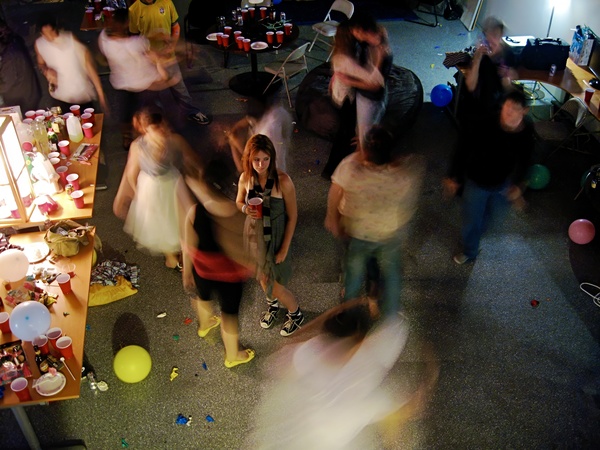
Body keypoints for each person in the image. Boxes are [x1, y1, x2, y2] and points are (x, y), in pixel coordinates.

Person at [248, 298, 439, 449]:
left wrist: (336, 311)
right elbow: (401, 415)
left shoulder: (308, 352)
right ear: (359, 340)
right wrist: (428, 379)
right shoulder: (363, 392)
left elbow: (291, 340)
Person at [325, 126, 425, 316]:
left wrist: (332, 217)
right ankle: (389, 314)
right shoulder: (402, 176)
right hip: (389, 235)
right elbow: (416, 169)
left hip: (359, 234)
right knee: (391, 275)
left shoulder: (352, 170)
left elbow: (335, 191)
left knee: (353, 273)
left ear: (367, 152)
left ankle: (349, 312)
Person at [178, 155, 256, 368]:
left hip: (202, 270)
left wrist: (187, 272)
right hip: (229, 277)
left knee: (203, 298)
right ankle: (232, 355)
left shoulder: (195, 210)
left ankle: (204, 325)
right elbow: (248, 248)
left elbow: (187, 244)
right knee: (229, 315)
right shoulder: (236, 215)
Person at [443, 90, 534, 265]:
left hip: (503, 183)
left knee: (491, 219)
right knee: (471, 220)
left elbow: (526, 158)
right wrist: (453, 176)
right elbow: (462, 148)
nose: (508, 112)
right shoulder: (485, 123)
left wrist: (519, 184)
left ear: (525, 111)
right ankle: (470, 251)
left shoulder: (526, 129)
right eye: (507, 106)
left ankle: (477, 234)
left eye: (515, 108)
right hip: (477, 181)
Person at [235, 134, 304, 336]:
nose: (261, 164)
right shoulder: (245, 178)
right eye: (256, 159)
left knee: (275, 285)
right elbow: (238, 201)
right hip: (253, 236)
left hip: (275, 238)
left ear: (272, 158)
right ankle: (273, 305)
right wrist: (244, 209)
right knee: (261, 277)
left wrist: (284, 248)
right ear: (249, 158)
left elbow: (293, 216)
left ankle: (296, 313)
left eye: (266, 159)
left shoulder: (283, 181)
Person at [115, 108, 191, 270]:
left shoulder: (172, 139)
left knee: (176, 218)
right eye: (155, 128)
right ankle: (171, 256)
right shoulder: (138, 146)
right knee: (161, 222)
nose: (161, 130)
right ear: (145, 129)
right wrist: (139, 195)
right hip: (152, 188)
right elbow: (131, 173)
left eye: (161, 125)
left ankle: (180, 250)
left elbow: (186, 156)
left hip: (172, 183)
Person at [98, 8, 179, 149]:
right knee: (148, 113)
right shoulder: (136, 43)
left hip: (121, 84)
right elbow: (152, 56)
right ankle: (151, 140)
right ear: (126, 23)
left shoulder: (104, 39)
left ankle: (127, 139)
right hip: (144, 84)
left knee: (125, 113)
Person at [128, 0, 211, 126]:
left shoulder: (167, 2)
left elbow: (175, 27)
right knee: (151, 93)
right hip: (149, 59)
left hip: (168, 56)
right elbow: (134, 36)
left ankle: (190, 112)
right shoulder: (134, 10)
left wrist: (172, 46)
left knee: (179, 87)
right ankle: (154, 122)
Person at [322, 20, 384, 179]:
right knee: (344, 135)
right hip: (345, 100)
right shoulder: (345, 59)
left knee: (347, 133)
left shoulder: (344, 52)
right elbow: (373, 81)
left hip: (340, 95)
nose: (359, 34)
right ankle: (332, 170)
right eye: (355, 32)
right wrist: (378, 60)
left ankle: (339, 166)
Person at [34, 17, 107, 114]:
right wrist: (46, 70)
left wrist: (100, 93)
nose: (50, 37)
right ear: (41, 34)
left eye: (51, 32)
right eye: (46, 34)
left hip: (81, 95)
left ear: (56, 28)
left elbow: (88, 65)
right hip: (60, 97)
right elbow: (41, 63)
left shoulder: (70, 39)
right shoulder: (39, 44)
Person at [345, 12, 393, 149]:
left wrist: (348, 80)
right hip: (373, 97)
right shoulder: (376, 38)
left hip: (370, 99)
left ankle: (362, 154)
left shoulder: (380, 53)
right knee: (363, 129)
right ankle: (361, 138)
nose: (353, 34)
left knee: (366, 137)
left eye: (354, 30)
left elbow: (374, 86)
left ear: (361, 30)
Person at [462, 16, 517, 124]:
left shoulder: (507, 53)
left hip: (497, 105)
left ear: (501, 35)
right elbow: (470, 86)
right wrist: (477, 59)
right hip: (477, 105)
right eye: (489, 35)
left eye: (495, 35)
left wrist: (509, 76)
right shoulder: (480, 54)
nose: (491, 40)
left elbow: (507, 85)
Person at [0, 19, 41, 112]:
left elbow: (7, 84)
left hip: (22, 100)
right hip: (27, 93)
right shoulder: (11, 40)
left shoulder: (9, 56)